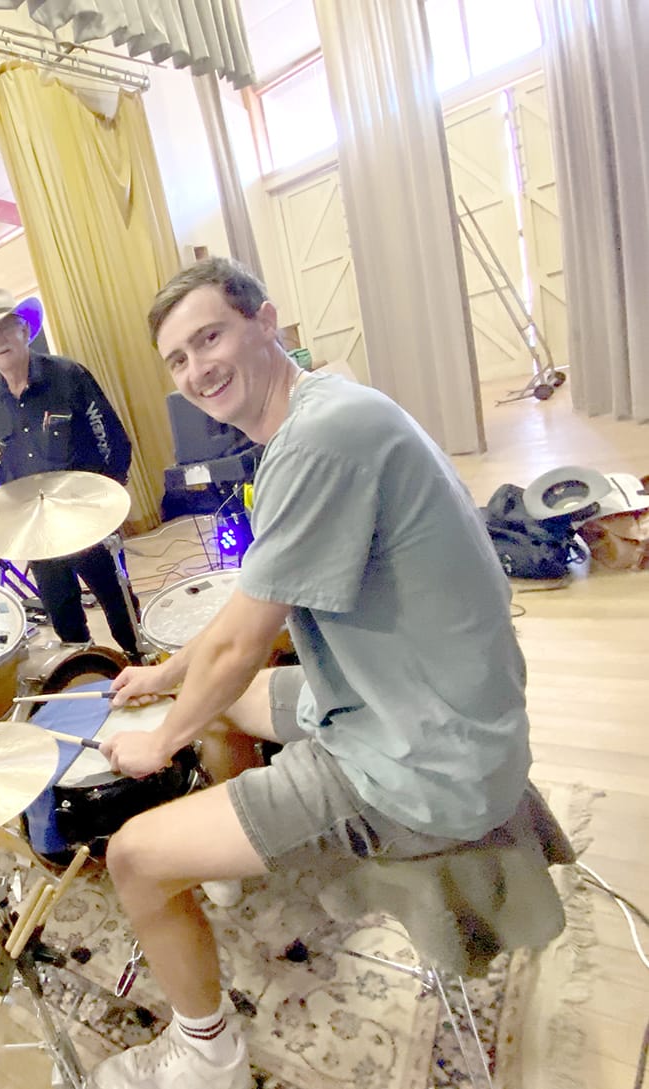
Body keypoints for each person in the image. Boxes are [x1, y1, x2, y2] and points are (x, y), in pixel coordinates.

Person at [87, 258, 532, 1089]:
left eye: (208, 336)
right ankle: (228, 861)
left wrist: (158, 741)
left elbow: (239, 645)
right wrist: (166, 676)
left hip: (422, 755)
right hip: (411, 698)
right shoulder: (329, 408)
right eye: (176, 360)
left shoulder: (318, 441)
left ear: (265, 320)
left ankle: (204, 1055)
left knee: (131, 856)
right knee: (215, 707)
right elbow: (251, 609)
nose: (195, 370)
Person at [0, 288, 141, 660]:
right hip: (36, 529)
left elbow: (114, 441)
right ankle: (88, 672)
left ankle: (141, 657)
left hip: (87, 519)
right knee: (64, 619)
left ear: (24, 330)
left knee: (118, 601)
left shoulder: (68, 375)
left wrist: (105, 508)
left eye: (4, 328)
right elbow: (0, 463)